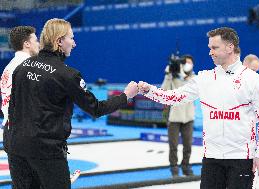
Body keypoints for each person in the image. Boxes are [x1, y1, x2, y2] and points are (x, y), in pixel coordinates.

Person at [4, 18, 138, 189]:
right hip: (46, 150)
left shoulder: (22, 68)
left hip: (16, 147)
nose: (74, 44)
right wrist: (126, 96)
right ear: (59, 41)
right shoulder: (67, 75)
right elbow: (96, 108)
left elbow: (12, 109)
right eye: (71, 38)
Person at [138, 27, 259, 189]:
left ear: (230, 47)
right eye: (210, 48)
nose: (210, 52)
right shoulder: (204, 78)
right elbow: (174, 97)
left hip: (242, 158)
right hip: (211, 159)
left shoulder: (252, 79)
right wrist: (148, 90)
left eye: (214, 48)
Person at [0, 26, 39, 148]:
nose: (38, 44)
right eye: (36, 40)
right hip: (27, 133)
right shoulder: (30, 66)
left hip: (10, 132)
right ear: (27, 44)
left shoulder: (9, 67)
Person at [161, 55, 195, 177]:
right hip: (174, 118)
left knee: (188, 145)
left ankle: (186, 167)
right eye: (186, 62)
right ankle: (174, 169)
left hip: (188, 118)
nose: (188, 64)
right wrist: (168, 76)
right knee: (173, 145)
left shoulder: (194, 78)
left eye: (190, 63)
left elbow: (194, 88)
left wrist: (183, 75)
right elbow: (163, 91)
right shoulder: (173, 78)